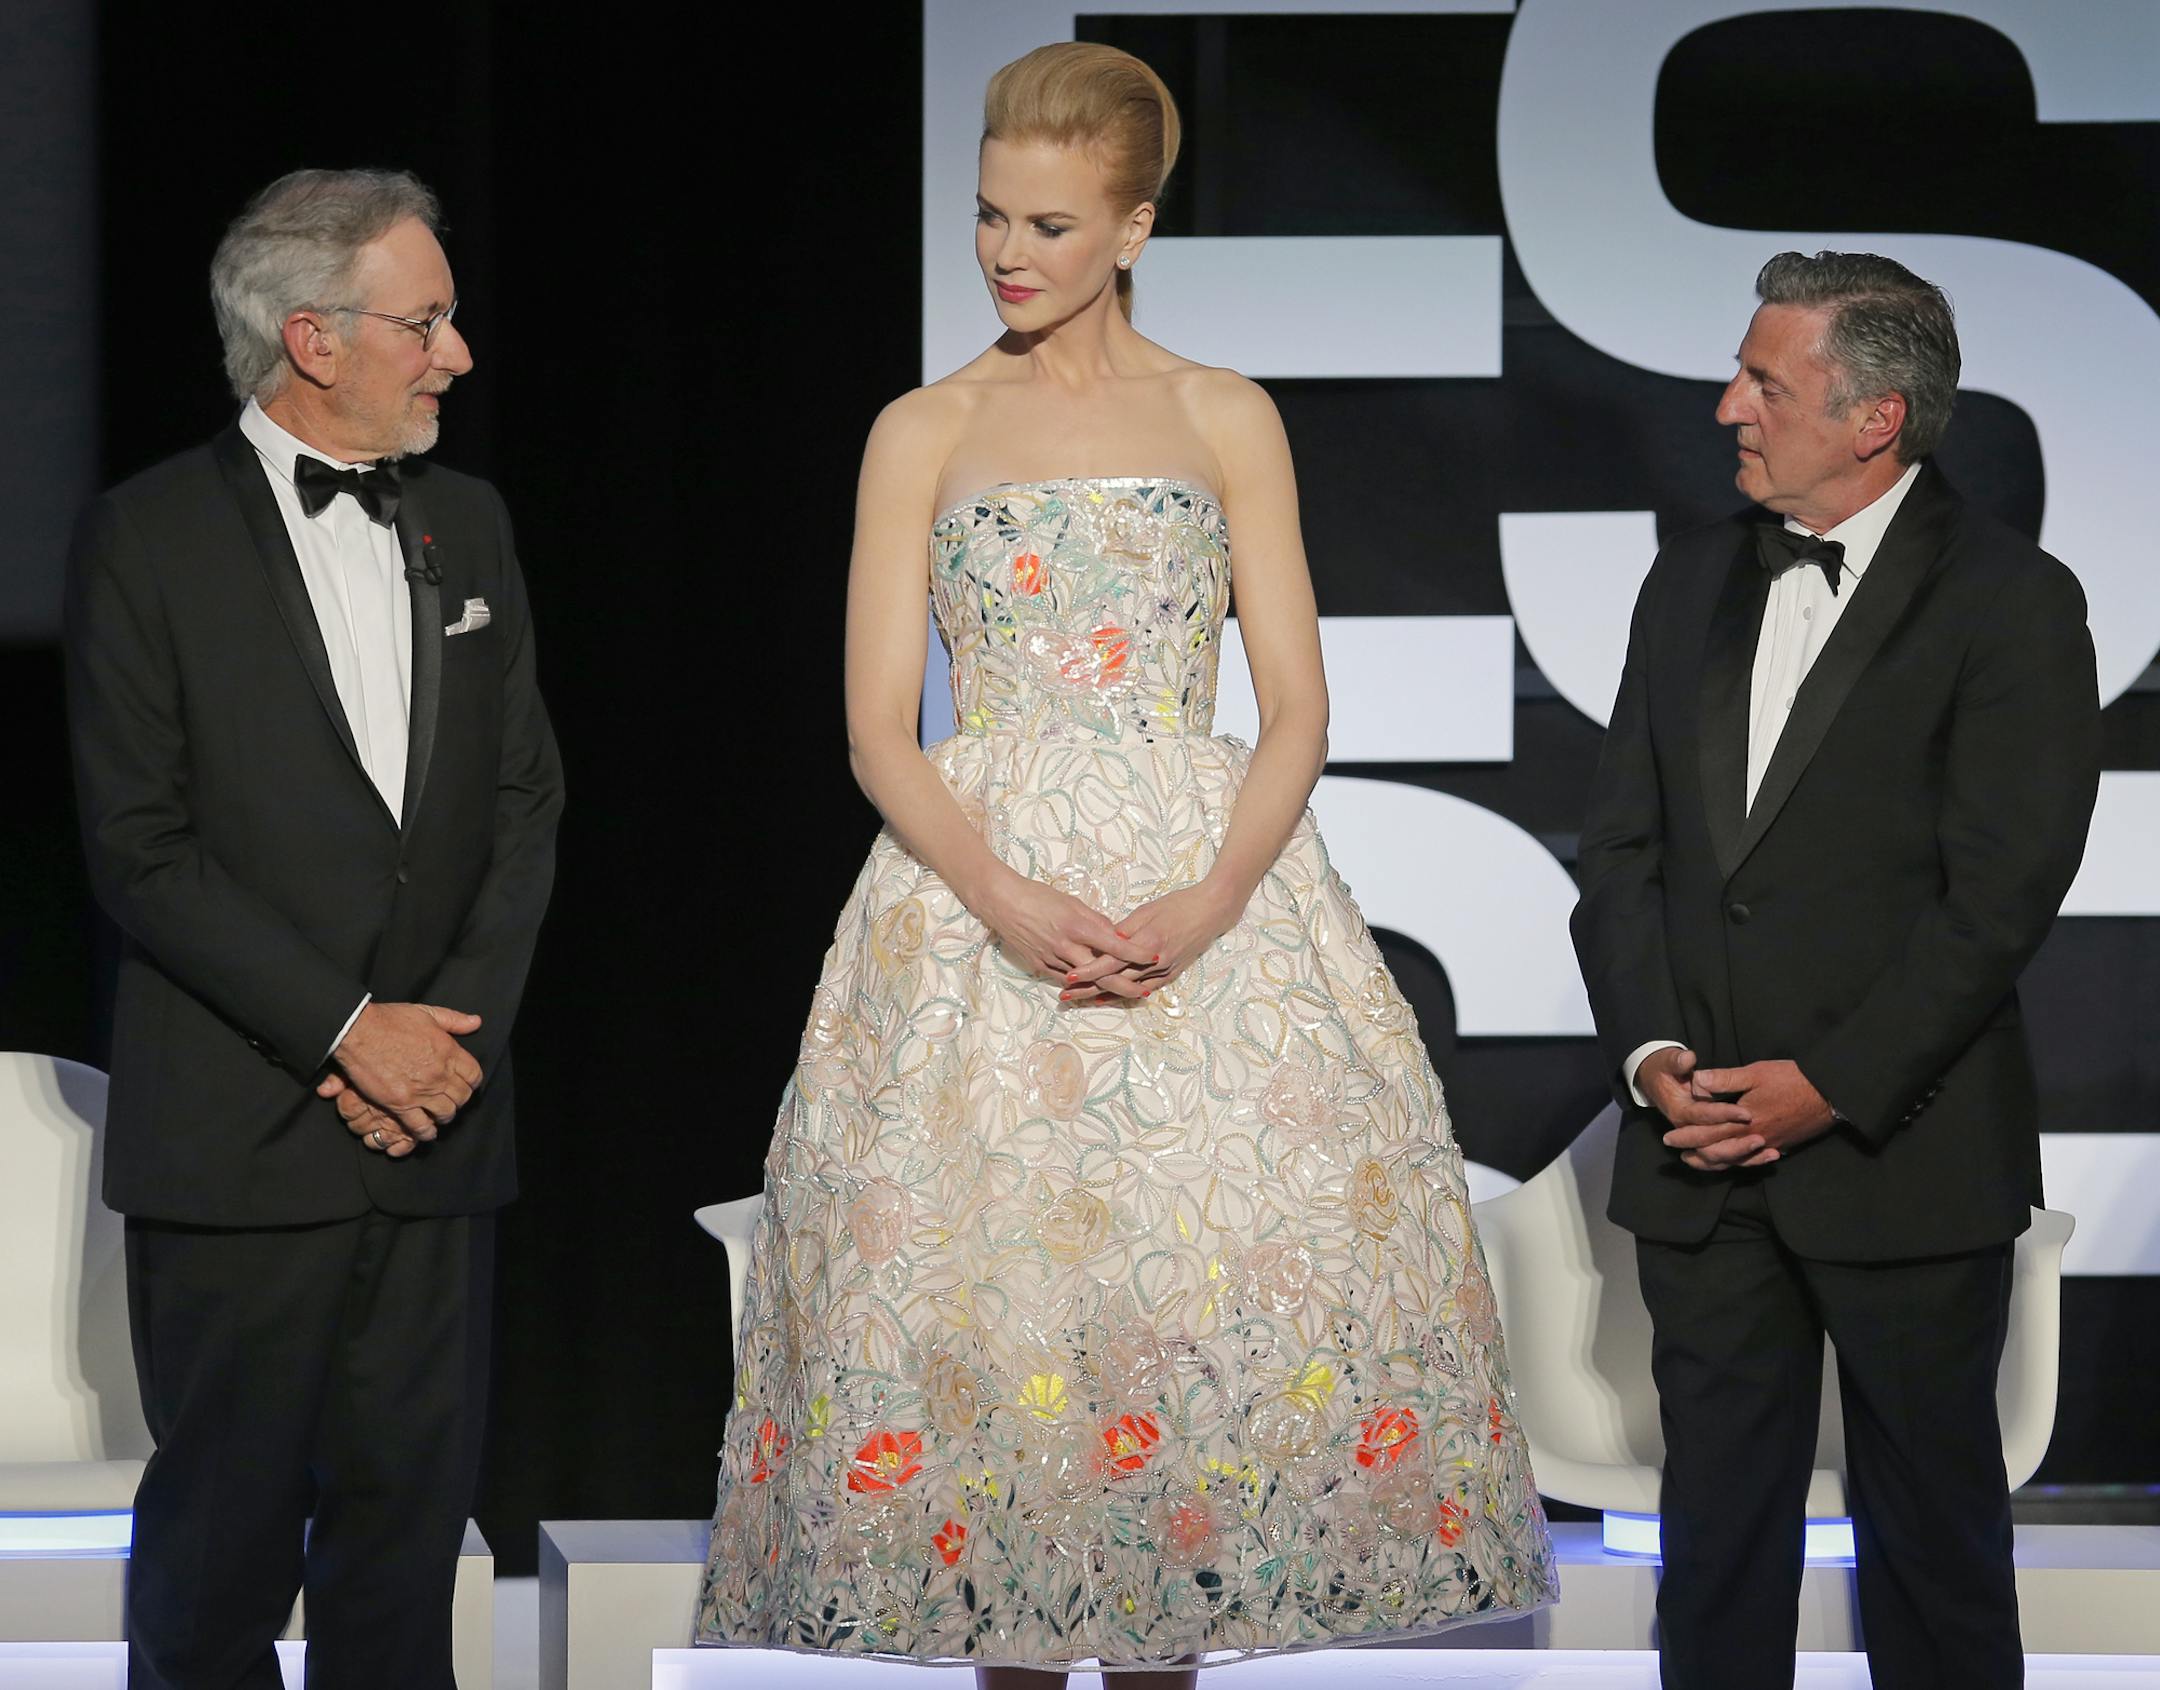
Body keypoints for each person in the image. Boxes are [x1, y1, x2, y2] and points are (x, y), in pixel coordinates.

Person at [697, 42, 1556, 1685]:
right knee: (1004, 1350)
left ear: (1135, 228)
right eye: (987, 218)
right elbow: (880, 728)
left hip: (1206, 916)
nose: (1008, 255)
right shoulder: (921, 429)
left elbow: (1298, 709)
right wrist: (1007, 896)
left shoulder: (1222, 413)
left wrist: (1206, 903)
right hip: (971, 919)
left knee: (1181, 1379)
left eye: (1048, 223)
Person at [1570, 251, 2101, 1690]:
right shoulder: (1686, 583)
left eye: (1766, 382)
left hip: (1902, 1154)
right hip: (1700, 1159)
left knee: (1933, 1552)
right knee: (1715, 1559)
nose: (1730, 405)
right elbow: (1620, 849)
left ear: (1874, 418)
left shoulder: (2013, 599)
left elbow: (2001, 896)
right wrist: (1653, 1059)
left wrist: (1830, 1084)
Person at [64, 168, 563, 1690]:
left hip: (437, 1142)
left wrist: (441, 1049)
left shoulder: (468, 527)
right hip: (241, 1140)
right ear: (313, 337)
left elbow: (525, 805)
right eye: (428, 321)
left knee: (404, 1565)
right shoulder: (143, 537)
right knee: (215, 1571)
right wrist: (353, 1033)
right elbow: (142, 853)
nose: (457, 353)